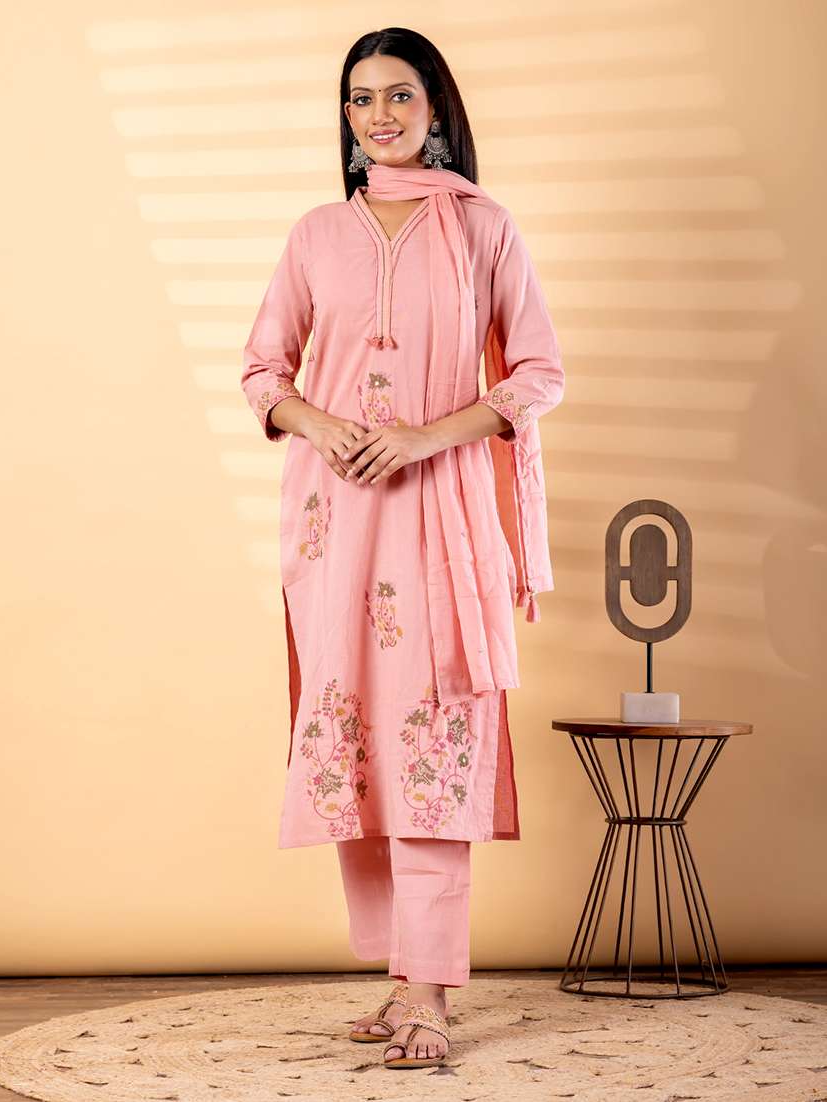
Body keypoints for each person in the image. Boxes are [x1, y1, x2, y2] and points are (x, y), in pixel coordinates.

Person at [240, 26, 564, 1070]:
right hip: (335, 523)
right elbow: (261, 372)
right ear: (346, 118)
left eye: (398, 95)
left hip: (440, 518)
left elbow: (537, 373)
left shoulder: (483, 229)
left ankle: (429, 989)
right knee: (357, 743)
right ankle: (398, 974)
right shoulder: (315, 236)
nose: (379, 115)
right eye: (361, 98)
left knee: (430, 736)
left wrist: (427, 435)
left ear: (434, 107)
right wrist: (319, 422)